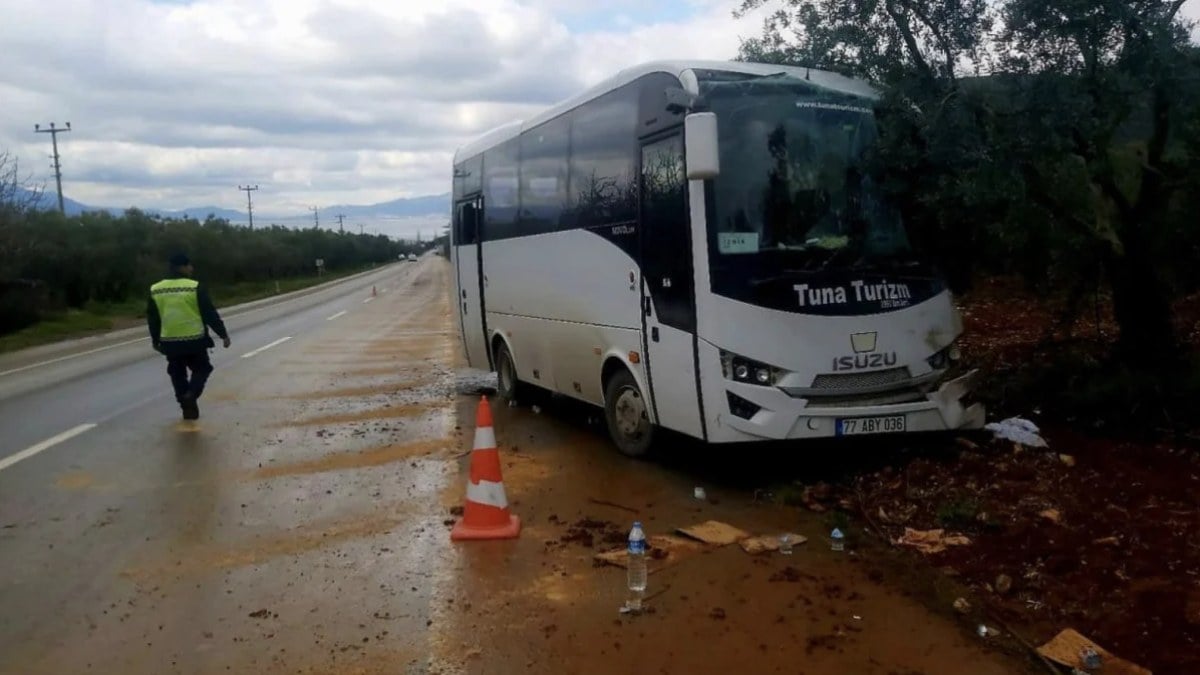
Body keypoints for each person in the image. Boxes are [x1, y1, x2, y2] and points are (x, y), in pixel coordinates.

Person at [146, 253, 231, 420]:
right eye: (190, 265)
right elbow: (209, 313)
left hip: (170, 341)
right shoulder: (194, 287)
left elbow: (153, 319)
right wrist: (223, 334)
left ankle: (185, 405)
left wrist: (155, 340)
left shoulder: (156, 289)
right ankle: (191, 395)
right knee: (203, 368)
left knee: (177, 373)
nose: (192, 268)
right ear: (183, 267)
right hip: (195, 340)